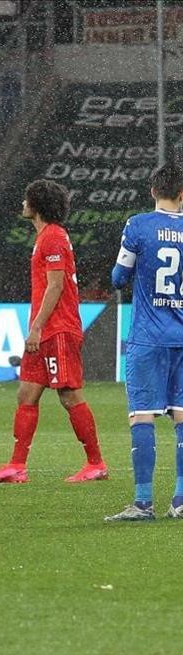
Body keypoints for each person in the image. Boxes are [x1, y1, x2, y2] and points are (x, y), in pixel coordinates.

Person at [0, 180, 107, 484]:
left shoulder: (53, 238)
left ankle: (96, 463)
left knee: (69, 395)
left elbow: (56, 285)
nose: (22, 204)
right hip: (45, 329)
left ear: (36, 206)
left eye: (26, 200)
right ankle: (16, 466)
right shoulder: (46, 237)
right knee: (26, 392)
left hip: (58, 328)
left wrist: (36, 326)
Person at [106, 164, 183, 521]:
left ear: (153, 191)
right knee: (182, 415)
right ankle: (180, 500)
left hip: (148, 337)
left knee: (143, 414)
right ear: (182, 194)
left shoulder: (138, 225)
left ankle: (142, 502)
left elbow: (119, 277)